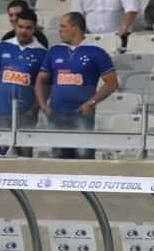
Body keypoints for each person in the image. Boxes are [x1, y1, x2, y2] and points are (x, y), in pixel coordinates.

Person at [36, 11, 119, 159]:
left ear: (75, 27)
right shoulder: (54, 51)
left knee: (83, 158)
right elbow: (41, 81)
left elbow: (112, 83)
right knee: (58, 158)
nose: (59, 30)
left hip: (82, 115)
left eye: (63, 26)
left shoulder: (96, 52)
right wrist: (44, 106)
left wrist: (91, 103)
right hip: (56, 115)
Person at [0, 6, 47, 130]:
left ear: (34, 29)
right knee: (1, 148)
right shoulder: (2, 47)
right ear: (15, 26)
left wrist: (35, 109)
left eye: (28, 28)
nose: (23, 31)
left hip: (27, 114)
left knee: (25, 149)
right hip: (2, 111)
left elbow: (45, 86)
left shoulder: (42, 52)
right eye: (20, 27)